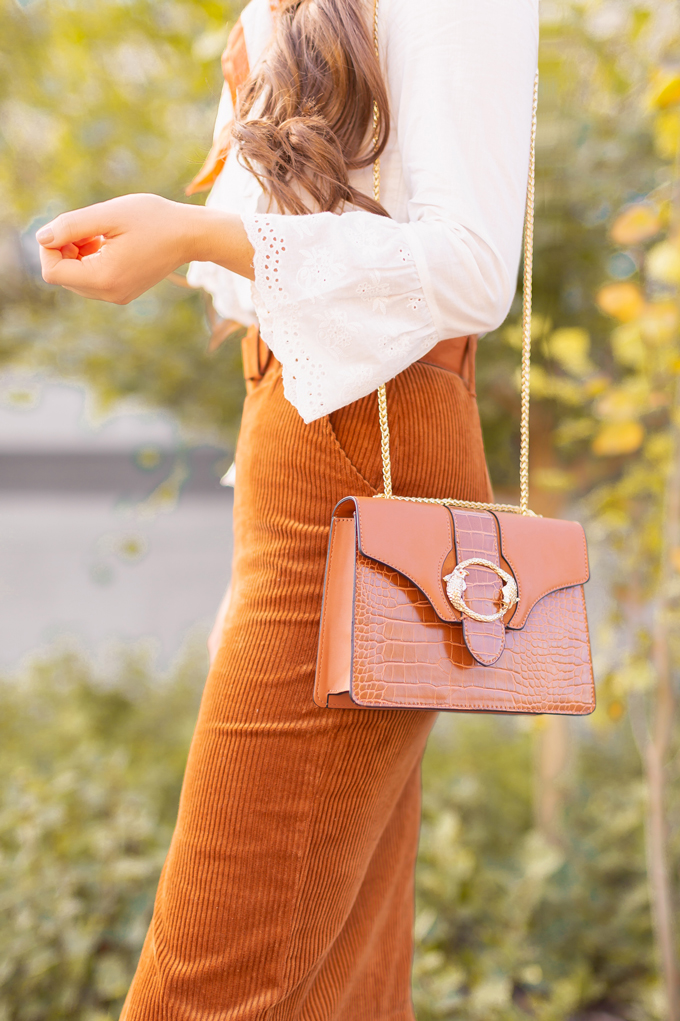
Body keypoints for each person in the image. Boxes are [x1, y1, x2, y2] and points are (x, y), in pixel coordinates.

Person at [37, 0, 538, 1016]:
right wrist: (187, 247)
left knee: (210, 978)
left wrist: (199, 234)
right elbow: (280, 280)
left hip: (370, 453)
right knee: (327, 980)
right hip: (300, 444)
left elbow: (470, 269)